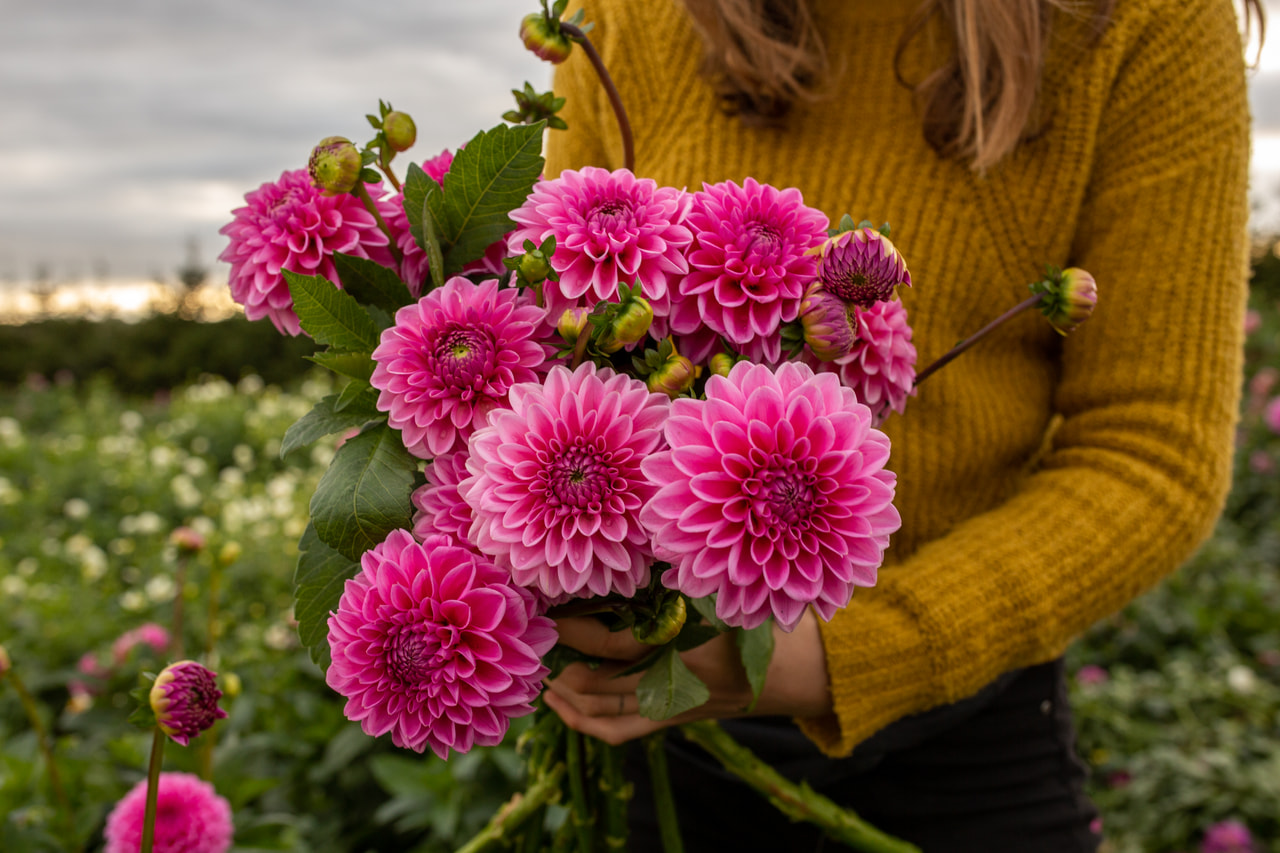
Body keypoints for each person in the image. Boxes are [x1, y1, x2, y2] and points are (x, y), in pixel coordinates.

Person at [537, 0, 1263, 849]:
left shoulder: (1147, 21)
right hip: (647, 721)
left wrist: (838, 657)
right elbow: (555, 329)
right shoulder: (621, 15)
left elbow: (1153, 450)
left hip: (963, 730)